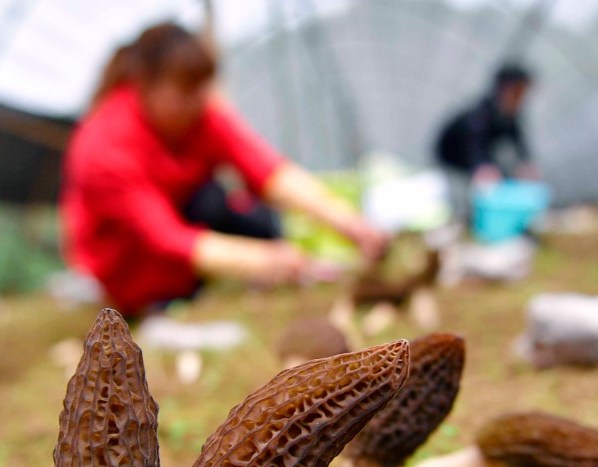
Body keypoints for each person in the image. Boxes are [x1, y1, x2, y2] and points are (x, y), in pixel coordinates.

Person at [61, 22, 387, 316]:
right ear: (146, 84)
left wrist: (349, 224)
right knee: (213, 208)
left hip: (183, 237)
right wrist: (266, 260)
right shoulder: (104, 144)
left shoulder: (198, 116)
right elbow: (164, 237)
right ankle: (160, 299)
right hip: (129, 264)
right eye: (186, 91)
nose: (199, 101)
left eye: (202, 88)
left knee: (227, 203)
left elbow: (267, 171)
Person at [435, 63, 539, 186]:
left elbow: (519, 144)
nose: (521, 99)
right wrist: (482, 166)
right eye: (517, 92)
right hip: (453, 162)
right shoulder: (481, 114)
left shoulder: (510, 117)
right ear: (503, 89)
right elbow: (475, 144)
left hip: (476, 162)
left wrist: (526, 165)